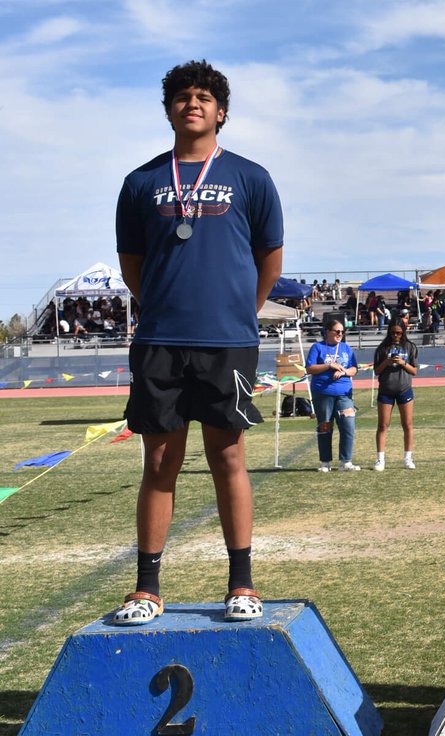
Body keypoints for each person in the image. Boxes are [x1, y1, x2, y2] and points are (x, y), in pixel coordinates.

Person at [113, 60, 284, 625]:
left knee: (228, 456)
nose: (193, 103)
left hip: (227, 340)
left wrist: (239, 311)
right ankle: (147, 586)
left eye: (205, 97)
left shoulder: (251, 178)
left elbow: (269, 257)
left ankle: (241, 582)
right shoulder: (140, 182)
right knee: (159, 460)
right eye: (183, 96)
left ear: (221, 111)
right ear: (169, 109)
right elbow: (133, 266)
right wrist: (165, 306)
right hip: (161, 338)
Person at [307, 320, 360, 472]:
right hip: (323, 394)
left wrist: (344, 372)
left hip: (344, 394)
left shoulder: (346, 348)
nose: (340, 334)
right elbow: (310, 368)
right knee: (325, 427)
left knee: (348, 426)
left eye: (342, 332)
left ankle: (346, 461)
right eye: (337, 331)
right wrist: (329, 365)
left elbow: (354, 369)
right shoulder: (317, 347)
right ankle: (325, 462)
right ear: (327, 331)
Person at [373, 315, 419, 470]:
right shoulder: (382, 348)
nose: (395, 336)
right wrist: (386, 362)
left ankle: (408, 457)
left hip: (404, 389)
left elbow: (414, 371)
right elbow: (377, 371)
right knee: (383, 425)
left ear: (403, 332)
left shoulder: (410, 347)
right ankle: (380, 459)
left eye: (399, 333)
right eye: (393, 333)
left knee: (407, 424)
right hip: (386, 390)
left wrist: (402, 363)